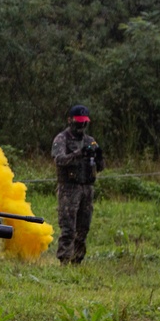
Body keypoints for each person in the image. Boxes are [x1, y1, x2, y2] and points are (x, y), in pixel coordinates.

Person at [52, 104, 104, 265]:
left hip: (87, 188)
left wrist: (98, 156)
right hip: (69, 188)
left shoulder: (90, 141)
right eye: (78, 121)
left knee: (83, 228)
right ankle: (64, 260)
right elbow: (59, 160)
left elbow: (100, 167)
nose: (81, 125)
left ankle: (77, 260)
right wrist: (78, 154)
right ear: (70, 120)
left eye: (84, 121)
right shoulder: (62, 138)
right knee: (68, 228)